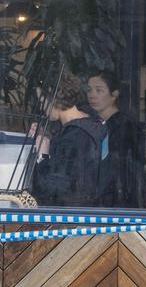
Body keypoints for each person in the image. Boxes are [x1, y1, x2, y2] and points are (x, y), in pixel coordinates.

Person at [31, 71, 110, 207]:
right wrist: (47, 137)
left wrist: (42, 156)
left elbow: (55, 192)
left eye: (42, 101)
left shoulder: (74, 137)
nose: (41, 107)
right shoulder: (92, 123)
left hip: (71, 221)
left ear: (53, 97)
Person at [87, 71, 146, 207]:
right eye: (89, 90)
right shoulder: (92, 124)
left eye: (99, 90)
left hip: (120, 203)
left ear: (114, 94)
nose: (92, 95)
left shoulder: (125, 126)